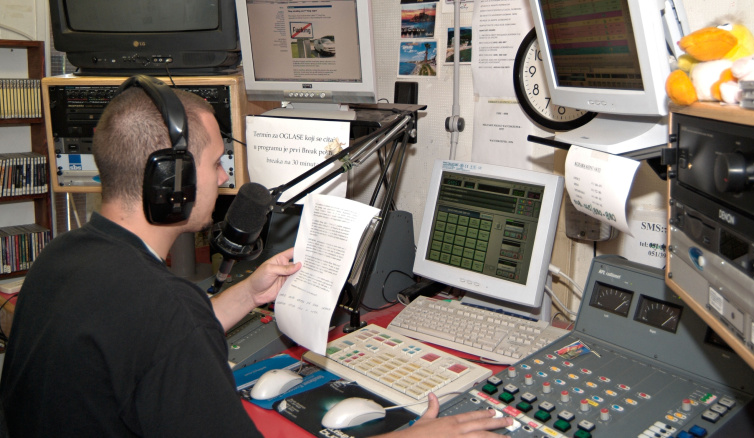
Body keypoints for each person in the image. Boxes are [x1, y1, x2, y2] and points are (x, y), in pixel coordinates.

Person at [0, 80, 510, 437]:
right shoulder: (164, 310)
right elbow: (162, 331)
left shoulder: (61, 258)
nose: (224, 177)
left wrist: (249, 291)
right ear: (170, 180)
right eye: (215, 161)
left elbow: (135, 343)